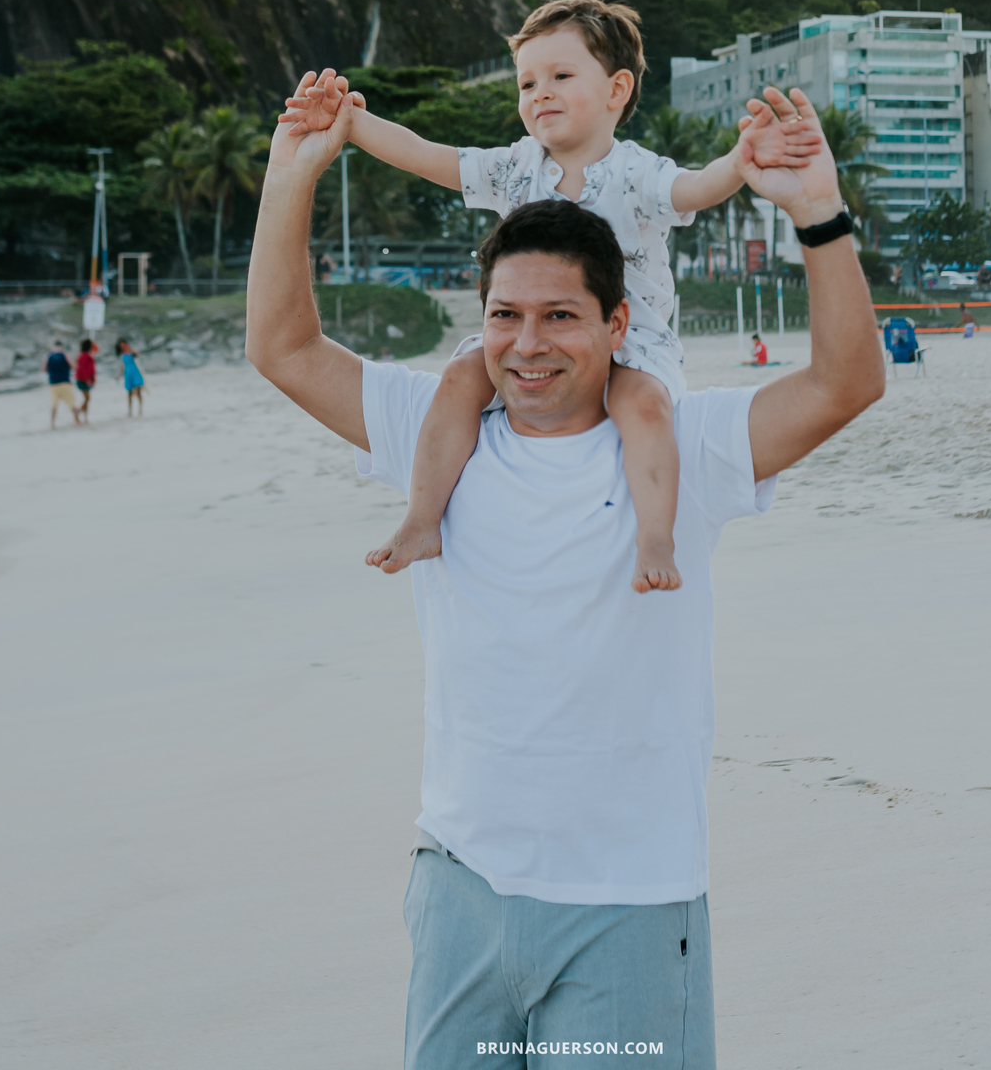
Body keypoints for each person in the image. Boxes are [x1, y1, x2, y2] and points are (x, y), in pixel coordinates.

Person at [245, 75, 883, 1063]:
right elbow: (283, 346)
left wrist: (818, 217)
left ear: (617, 326)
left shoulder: (685, 448)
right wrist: (290, 179)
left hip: (626, 904)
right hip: (460, 887)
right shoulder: (435, 433)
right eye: (505, 316)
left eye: (560, 317)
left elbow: (846, 383)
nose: (528, 345)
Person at [281, 0, 823, 594]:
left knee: (645, 409)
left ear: (617, 91)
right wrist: (352, 122)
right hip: (532, 334)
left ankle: (655, 537)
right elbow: (425, 156)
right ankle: (421, 518)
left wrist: (742, 161)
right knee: (459, 379)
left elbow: (697, 189)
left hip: (632, 341)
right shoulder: (515, 167)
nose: (540, 93)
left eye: (561, 76)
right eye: (527, 83)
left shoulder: (637, 172)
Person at [45, 340, 79, 428]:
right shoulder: (65, 354)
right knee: (72, 403)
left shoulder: (49, 356)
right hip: (65, 382)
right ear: (62, 346)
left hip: (53, 384)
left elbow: (44, 368)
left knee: (54, 405)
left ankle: (52, 424)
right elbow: (73, 366)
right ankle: (77, 420)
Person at [115, 339, 145, 416]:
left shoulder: (131, 353)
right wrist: (119, 376)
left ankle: (140, 409)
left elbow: (137, 355)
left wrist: (130, 349)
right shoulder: (122, 356)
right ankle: (130, 411)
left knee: (138, 392)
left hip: (135, 372)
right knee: (129, 393)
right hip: (128, 374)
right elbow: (122, 367)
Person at [74, 337, 99, 419]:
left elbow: (97, 349)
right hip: (83, 380)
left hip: (84, 379)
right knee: (87, 398)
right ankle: (78, 412)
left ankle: (84, 416)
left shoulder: (85, 355)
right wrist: (87, 380)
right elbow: (83, 369)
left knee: (87, 398)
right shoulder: (84, 356)